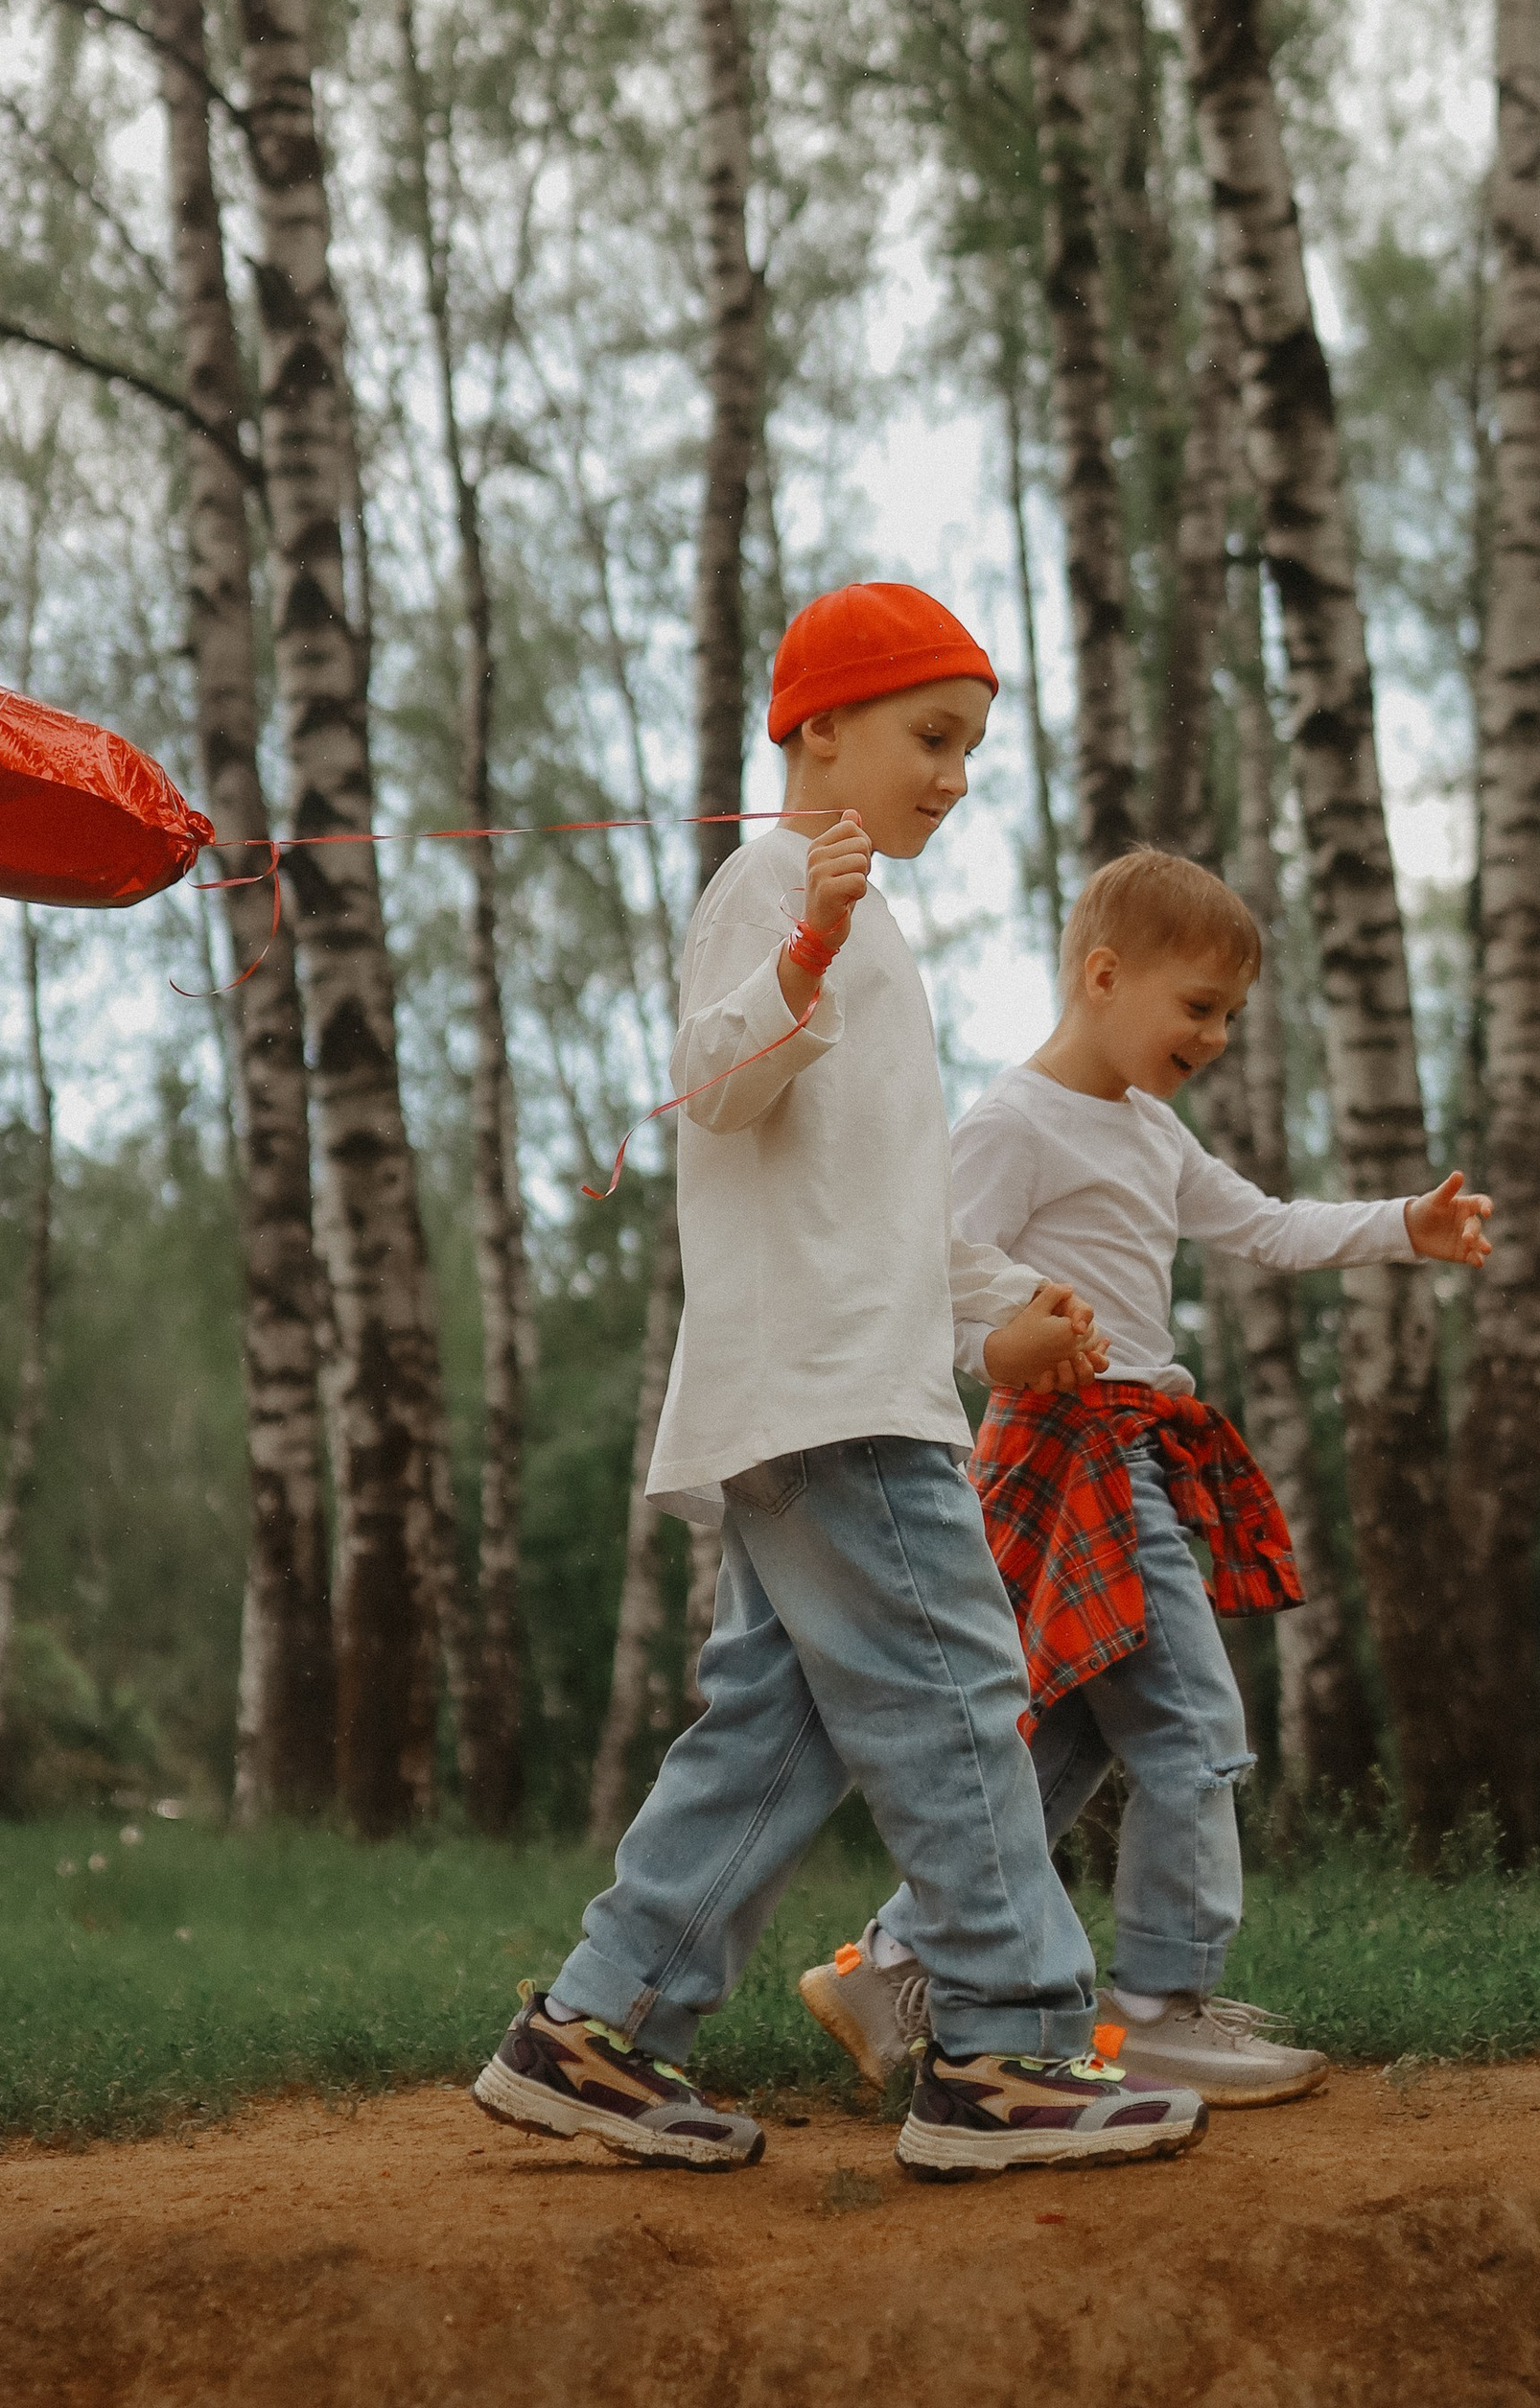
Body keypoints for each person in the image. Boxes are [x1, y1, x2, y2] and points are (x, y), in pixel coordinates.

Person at [472, 586, 1207, 2180]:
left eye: (970, 749)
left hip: (830, 1389)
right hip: (836, 1406)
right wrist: (804, 935)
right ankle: (1008, 2050)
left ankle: (596, 2029)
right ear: (818, 732)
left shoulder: (864, 921)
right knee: (959, 1708)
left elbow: (877, 1208)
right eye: (930, 738)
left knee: (777, 1735)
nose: (953, 776)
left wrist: (1010, 1302)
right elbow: (717, 1093)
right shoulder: (773, 882)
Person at [804, 844, 1494, 2109]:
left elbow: (1268, 1226)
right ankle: (1162, 2008)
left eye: (1231, 1014)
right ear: (1105, 976)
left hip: (1132, 1455)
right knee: (1194, 1732)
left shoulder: (1150, 1131)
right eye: (1198, 1006)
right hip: (1072, 1452)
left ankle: (893, 1961)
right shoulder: (1013, 1122)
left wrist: (1404, 1224)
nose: (1217, 1034)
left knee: (1063, 1730)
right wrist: (1004, 1343)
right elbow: (935, 1279)